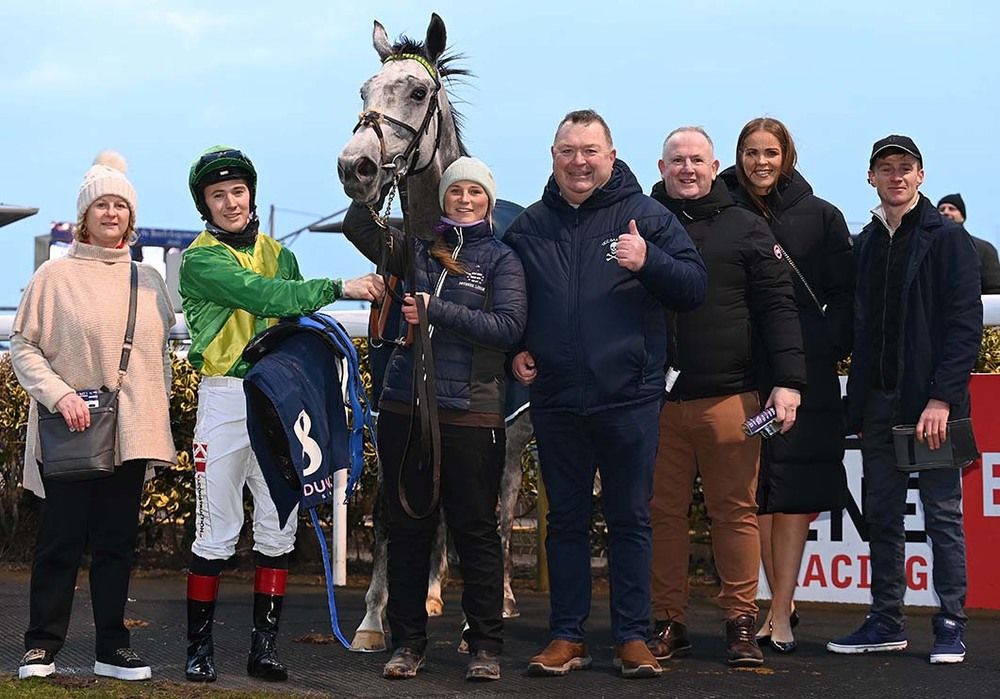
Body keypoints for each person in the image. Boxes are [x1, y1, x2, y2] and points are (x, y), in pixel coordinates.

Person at [504, 109, 707, 679]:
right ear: (552, 156)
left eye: (590, 150)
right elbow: (508, 303)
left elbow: (694, 288)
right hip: (556, 398)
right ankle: (566, 636)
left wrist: (650, 262)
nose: (579, 161)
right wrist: (514, 347)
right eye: (568, 150)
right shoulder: (529, 226)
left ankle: (632, 637)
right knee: (564, 521)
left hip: (630, 396)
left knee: (630, 519)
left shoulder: (647, 216)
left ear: (612, 156)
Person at [179, 146, 383, 683]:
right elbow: (266, 295)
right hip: (225, 397)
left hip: (278, 399)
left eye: (238, 192)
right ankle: (198, 650)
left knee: (278, 526)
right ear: (205, 203)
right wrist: (341, 285)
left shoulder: (278, 250)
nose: (230, 202)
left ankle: (262, 650)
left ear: (252, 193)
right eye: (218, 195)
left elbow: (291, 316)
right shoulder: (200, 259)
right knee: (216, 532)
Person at [342, 157, 525, 681]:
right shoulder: (417, 250)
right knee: (408, 527)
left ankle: (486, 646)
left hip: (472, 412)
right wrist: (372, 173)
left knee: (475, 531)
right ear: (442, 199)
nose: (464, 200)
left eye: (475, 192)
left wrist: (436, 310)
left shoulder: (503, 261)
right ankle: (408, 643)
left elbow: (508, 327)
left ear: (488, 200)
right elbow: (359, 225)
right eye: (455, 192)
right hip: (406, 407)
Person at [11, 152, 176, 682]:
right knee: (59, 542)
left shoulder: (148, 281)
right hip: (72, 430)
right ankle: (41, 646)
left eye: (120, 206)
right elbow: (23, 345)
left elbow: (162, 359)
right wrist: (59, 395)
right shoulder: (53, 277)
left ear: (131, 217)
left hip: (128, 436)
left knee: (116, 545)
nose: (111, 214)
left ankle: (112, 648)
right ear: (84, 216)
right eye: (101, 205)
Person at [647, 127, 805, 667]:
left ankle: (740, 622)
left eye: (697, 160)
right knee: (659, 515)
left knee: (734, 514)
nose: (687, 169)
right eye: (676, 160)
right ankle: (668, 622)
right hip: (653, 404)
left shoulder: (746, 226)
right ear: (661, 166)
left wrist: (788, 382)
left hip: (731, 400)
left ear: (716, 167)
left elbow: (778, 308)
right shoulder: (639, 222)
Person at [828, 135, 981, 664]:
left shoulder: (948, 239)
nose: (896, 176)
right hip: (878, 403)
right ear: (871, 177)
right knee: (883, 516)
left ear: (921, 175)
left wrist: (942, 399)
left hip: (931, 407)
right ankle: (886, 619)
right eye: (886, 168)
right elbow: (861, 328)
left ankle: (951, 623)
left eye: (905, 167)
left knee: (942, 516)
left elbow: (963, 327)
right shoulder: (867, 242)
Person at [719, 117, 854, 653]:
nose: (760, 162)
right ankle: (757, 607)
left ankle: (778, 613)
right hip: (741, 373)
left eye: (770, 152)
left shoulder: (822, 217)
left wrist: (821, 348)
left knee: (792, 495)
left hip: (806, 377)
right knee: (751, 495)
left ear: (787, 156)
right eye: (750, 152)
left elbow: (845, 295)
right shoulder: (720, 209)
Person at [936, 193, 1000, 294]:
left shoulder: (984, 249)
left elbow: (994, 288)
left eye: (952, 209)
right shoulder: (926, 248)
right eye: (941, 209)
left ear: (963, 217)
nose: (946, 212)